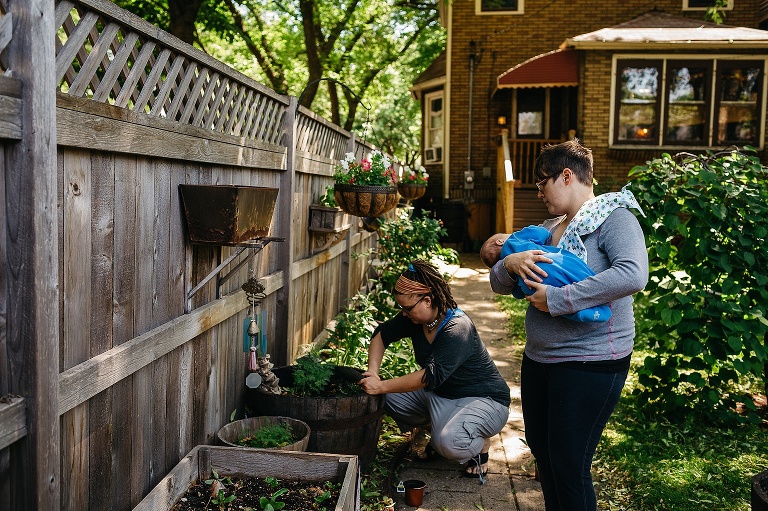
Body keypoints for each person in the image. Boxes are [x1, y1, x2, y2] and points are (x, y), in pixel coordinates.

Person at [488, 139, 648, 510]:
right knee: (546, 460)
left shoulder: (614, 218)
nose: (539, 192)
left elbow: (633, 274)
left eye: (542, 184)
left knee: (568, 465)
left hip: (590, 364)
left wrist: (559, 300)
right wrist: (509, 265)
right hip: (540, 361)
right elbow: (498, 281)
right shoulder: (548, 228)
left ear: (566, 176)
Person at [357, 260, 511, 482]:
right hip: (442, 394)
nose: (404, 313)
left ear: (427, 300)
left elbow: (430, 376)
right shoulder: (416, 319)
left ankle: (479, 445)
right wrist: (373, 373)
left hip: (483, 399)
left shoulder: (458, 328)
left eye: (407, 308)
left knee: (449, 444)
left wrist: (381, 384)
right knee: (388, 398)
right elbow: (382, 334)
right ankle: (439, 431)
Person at [480, 225, 611, 322]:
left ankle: (582, 314)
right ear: (500, 241)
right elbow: (541, 233)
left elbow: (518, 294)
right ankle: (599, 305)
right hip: (551, 264)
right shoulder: (515, 239)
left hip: (531, 284)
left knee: (550, 304)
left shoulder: (513, 271)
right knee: (578, 274)